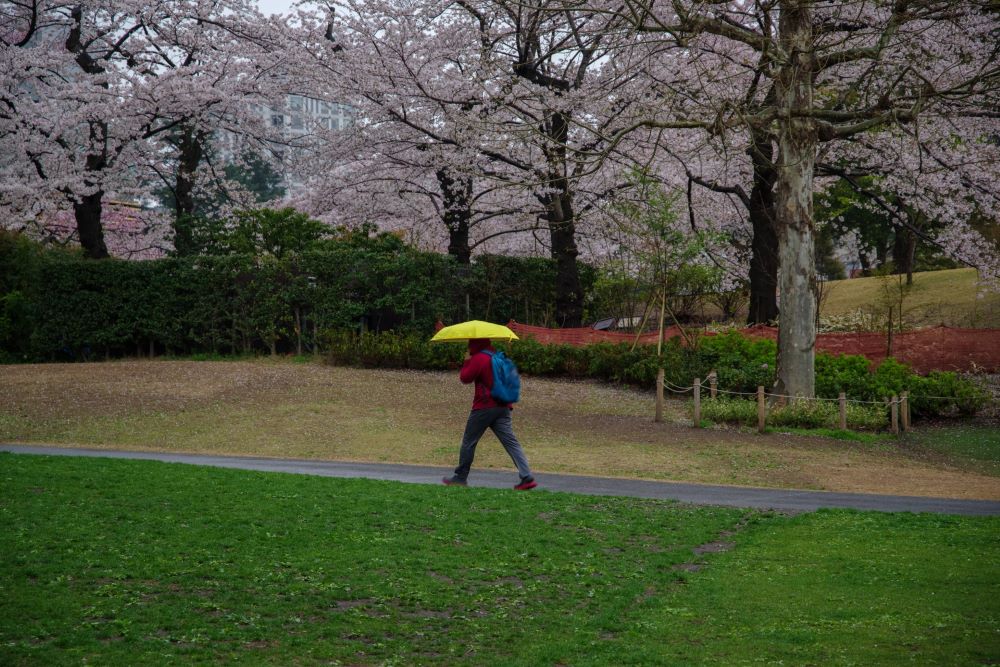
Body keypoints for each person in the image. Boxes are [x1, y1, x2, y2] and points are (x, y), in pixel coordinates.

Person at [442, 338, 537, 490]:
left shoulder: (479, 358)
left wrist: (467, 361)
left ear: (474, 343)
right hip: (503, 406)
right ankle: (526, 476)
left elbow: (465, 378)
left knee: (469, 441)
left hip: (484, 407)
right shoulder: (497, 355)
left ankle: (460, 477)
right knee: (511, 442)